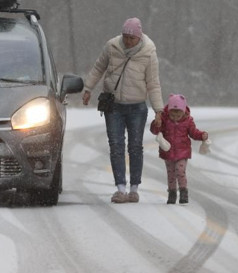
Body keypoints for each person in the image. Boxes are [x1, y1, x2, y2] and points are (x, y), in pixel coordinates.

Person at [82, 17, 164, 203]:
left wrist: (159, 110)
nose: (127, 41)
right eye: (125, 36)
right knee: (116, 146)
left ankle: (134, 189)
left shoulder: (149, 53)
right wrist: (88, 88)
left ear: (139, 37)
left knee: (135, 147)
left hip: (137, 107)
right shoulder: (112, 47)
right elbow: (98, 68)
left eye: (131, 38)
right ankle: (120, 188)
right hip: (114, 106)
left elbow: (153, 83)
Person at [150, 93, 208, 205]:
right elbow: (155, 131)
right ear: (169, 112)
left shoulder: (188, 121)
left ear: (183, 112)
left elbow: (193, 133)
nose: (175, 118)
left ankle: (183, 191)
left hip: (183, 151)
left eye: (178, 116)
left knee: (180, 170)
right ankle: (172, 193)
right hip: (168, 151)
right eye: (173, 115)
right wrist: (156, 124)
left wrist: (202, 135)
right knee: (171, 173)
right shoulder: (164, 119)